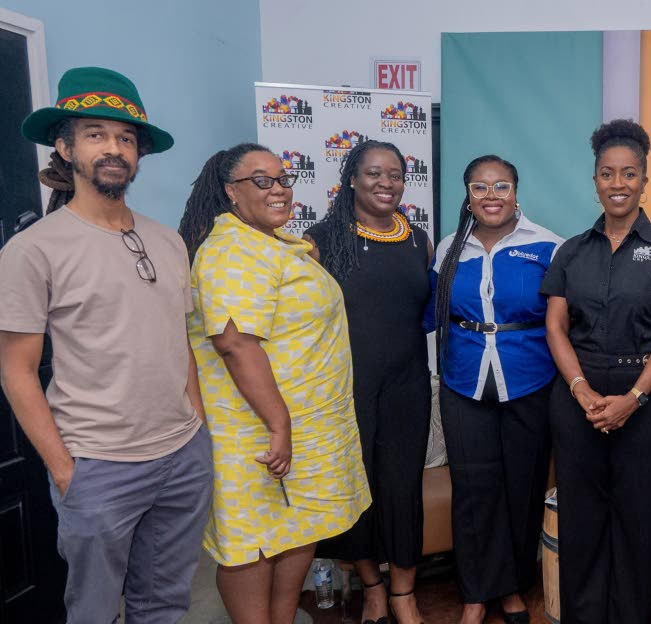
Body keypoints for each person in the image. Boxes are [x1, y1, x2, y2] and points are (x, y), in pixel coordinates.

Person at [0, 66, 213, 623]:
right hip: (97, 465)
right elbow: (17, 370)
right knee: (94, 610)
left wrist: (198, 424)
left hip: (182, 454)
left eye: (125, 137)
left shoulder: (168, 240)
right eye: (95, 133)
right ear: (66, 147)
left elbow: (179, 340)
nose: (113, 147)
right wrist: (64, 469)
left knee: (164, 603)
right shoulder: (33, 250)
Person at [180, 142, 371, 624]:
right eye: (262, 181)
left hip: (305, 426)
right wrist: (279, 422)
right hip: (257, 431)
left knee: (295, 529)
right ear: (230, 192)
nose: (279, 189)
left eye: (284, 179)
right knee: (252, 544)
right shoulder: (230, 249)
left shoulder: (277, 242)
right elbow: (235, 344)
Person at [541, 119, 651, 624]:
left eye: (630, 173)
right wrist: (582, 391)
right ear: (595, 180)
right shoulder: (571, 252)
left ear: (645, 179)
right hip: (577, 398)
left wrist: (634, 398)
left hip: (648, 400)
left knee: (637, 520)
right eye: (608, 174)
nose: (619, 183)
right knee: (581, 521)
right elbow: (556, 328)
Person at [304, 140, 432, 624]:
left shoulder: (419, 240)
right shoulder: (320, 240)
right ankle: (372, 587)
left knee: (403, 487)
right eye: (374, 173)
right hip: (347, 387)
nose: (386, 183)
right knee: (357, 487)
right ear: (351, 178)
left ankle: (404, 592)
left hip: (408, 385)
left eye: (395, 174)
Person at [431, 155, 562, 624]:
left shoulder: (547, 246)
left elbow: (564, 322)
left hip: (530, 380)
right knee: (473, 489)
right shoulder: (449, 248)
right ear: (467, 194)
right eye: (480, 187)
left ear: (515, 191)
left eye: (500, 186)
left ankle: (510, 590)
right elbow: (431, 315)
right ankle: (474, 593)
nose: (491, 196)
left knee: (521, 488)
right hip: (463, 380)